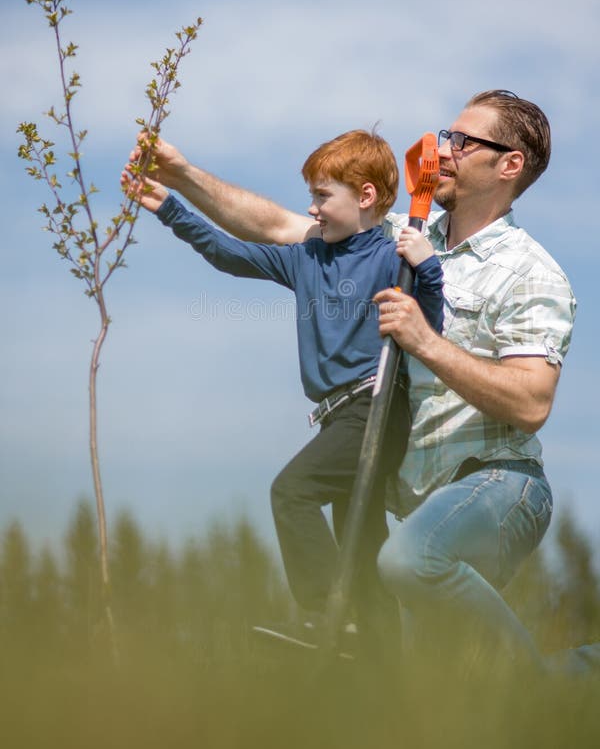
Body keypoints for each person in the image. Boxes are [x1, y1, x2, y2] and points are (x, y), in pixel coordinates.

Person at [125, 89, 578, 672]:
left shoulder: (532, 272)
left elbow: (532, 403)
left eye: (462, 141)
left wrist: (425, 341)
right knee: (431, 687)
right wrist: (181, 177)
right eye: (445, 135)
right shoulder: (391, 238)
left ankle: (537, 687)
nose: (443, 149)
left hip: (499, 482)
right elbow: (273, 226)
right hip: (418, 497)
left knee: (405, 561)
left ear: (509, 164)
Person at [122, 129, 444, 655]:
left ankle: (325, 611)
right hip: (338, 415)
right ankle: (381, 662)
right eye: (312, 196)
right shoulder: (307, 258)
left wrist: (426, 266)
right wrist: (169, 209)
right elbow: (229, 254)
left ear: (365, 197)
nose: (312, 209)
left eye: (323, 196)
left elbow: (430, 324)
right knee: (361, 544)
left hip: (378, 408)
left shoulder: (393, 257)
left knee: (291, 492)